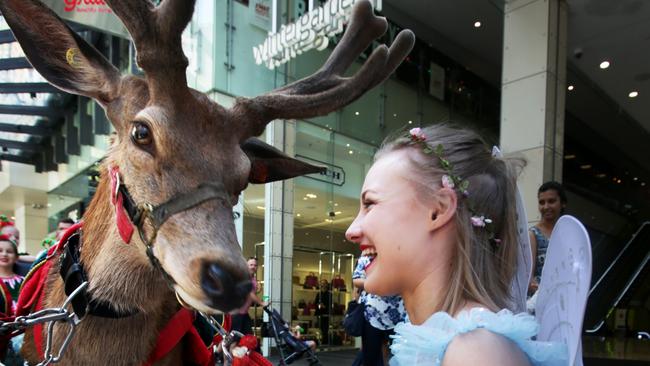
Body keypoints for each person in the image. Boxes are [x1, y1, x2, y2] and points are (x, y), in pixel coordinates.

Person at [345, 124, 566, 365]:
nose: (352, 232)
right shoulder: (455, 343)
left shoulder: (475, 353)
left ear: (438, 210)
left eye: (370, 203)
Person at [353, 248, 406, 366]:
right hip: (371, 314)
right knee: (371, 355)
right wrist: (375, 282)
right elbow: (356, 280)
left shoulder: (400, 258)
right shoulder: (367, 258)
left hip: (398, 314)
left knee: (400, 354)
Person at [528, 181, 567, 294]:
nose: (546, 206)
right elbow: (528, 279)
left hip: (566, 301)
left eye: (551, 201)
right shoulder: (533, 234)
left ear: (563, 203)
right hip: (540, 303)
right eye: (541, 202)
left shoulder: (569, 234)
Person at [231, 257, 267, 337]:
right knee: (233, 339)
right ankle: (218, 350)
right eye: (251, 265)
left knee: (248, 338)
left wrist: (258, 290)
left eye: (255, 265)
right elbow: (249, 293)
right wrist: (262, 303)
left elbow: (250, 294)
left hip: (244, 313)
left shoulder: (253, 279)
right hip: (236, 313)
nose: (253, 267)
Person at [314, 278, 332, 344]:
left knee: (325, 328)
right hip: (319, 313)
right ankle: (321, 340)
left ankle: (325, 341)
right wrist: (319, 305)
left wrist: (324, 306)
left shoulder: (329, 294)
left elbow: (330, 304)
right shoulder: (319, 294)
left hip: (326, 313)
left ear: (326, 284)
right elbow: (315, 302)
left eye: (324, 283)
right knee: (320, 328)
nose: (322, 285)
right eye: (321, 283)